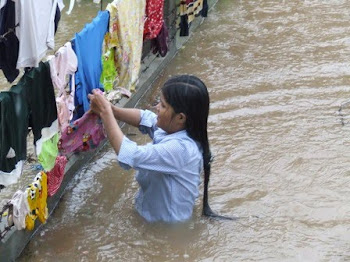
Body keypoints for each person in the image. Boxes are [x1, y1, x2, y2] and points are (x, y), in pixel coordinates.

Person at [88, 75, 231, 223]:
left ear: (180, 118)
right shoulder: (177, 129)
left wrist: (106, 113)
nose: (156, 107)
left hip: (165, 227)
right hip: (150, 215)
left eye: (163, 106)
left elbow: (129, 154)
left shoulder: (180, 149)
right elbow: (145, 118)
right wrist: (114, 111)